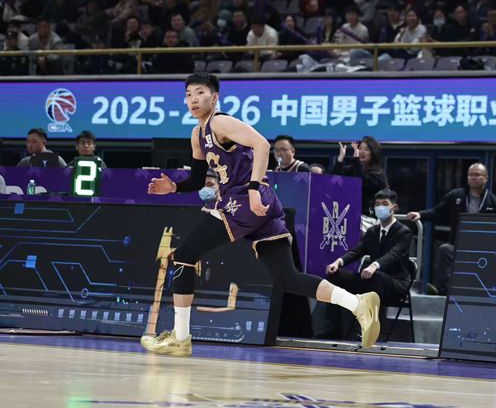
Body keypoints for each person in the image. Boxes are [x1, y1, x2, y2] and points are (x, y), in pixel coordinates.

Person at [140, 72, 380, 356]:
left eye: (200, 93)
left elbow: (262, 144)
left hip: (244, 199)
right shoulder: (197, 135)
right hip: (258, 204)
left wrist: (253, 188)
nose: (193, 99)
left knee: (184, 254)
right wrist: (174, 187)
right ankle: (358, 304)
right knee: (287, 278)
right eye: (189, 94)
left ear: (214, 97)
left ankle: (180, 338)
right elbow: (196, 179)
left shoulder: (220, 122)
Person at [323, 189, 413, 338]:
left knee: (375, 277)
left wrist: (374, 265)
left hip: (395, 283)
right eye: (377, 204)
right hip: (372, 279)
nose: (380, 207)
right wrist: (338, 262)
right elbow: (357, 250)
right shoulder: (372, 231)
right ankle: (334, 328)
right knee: (335, 276)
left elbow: (394, 254)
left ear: (394, 207)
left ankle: (368, 329)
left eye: (385, 204)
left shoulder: (404, 232)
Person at [407, 163, 496, 295]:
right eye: (470, 175)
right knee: (444, 249)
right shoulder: (456, 195)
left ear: (485, 178)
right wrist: (420, 214)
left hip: (483, 248)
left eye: (477, 175)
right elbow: (437, 211)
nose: (473, 177)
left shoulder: (494, 202)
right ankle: (444, 290)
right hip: (458, 245)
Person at [331, 137, 388, 228]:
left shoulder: (378, 174)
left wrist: (356, 161)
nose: (361, 152)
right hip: (346, 217)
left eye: (366, 149)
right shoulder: (351, 170)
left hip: (367, 220)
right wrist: (340, 160)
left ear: (373, 153)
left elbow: (362, 183)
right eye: (360, 148)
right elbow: (333, 182)